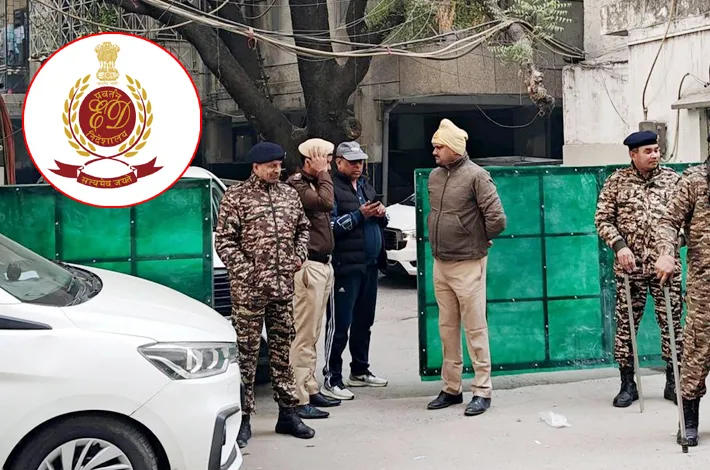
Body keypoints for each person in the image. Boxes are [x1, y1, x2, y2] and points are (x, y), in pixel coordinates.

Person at [215, 141, 315, 448]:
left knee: (283, 352)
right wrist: (251, 274)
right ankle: (244, 418)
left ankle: (288, 413)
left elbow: (303, 229)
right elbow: (225, 242)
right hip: (249, 293)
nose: (276, 170)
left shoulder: (288, 194)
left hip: (283, 289)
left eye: (278, 165)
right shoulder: (236, 197)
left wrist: (299, 255)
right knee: (246, 356)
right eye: (270, 166)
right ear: (255, 167)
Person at [594, 130, 684, 408]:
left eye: (656, 150)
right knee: (626, 326)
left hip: (665, 268)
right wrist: (619, 246)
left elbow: (687, 223)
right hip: (629, 268)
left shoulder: (674, 181)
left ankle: (674, 380)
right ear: (633, 154)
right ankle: (627, 384)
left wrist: (669, 251)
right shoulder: (617, 182)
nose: (655, 155)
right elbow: (603, 219)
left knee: (672, 324)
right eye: (648, 151)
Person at [424, 118, 507, 417]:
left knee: (475, 328)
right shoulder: (435, 177)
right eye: (434, 146)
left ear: (454, 148)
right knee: (447, 329)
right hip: (441, 262)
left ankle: (482, 390)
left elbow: (497, 218)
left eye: (439, 146)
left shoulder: (477, 176)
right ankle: (451, 387)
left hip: (468, 264)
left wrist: (478, 240)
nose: (434, 151)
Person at [321, 141, 389, 401]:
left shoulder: (365, 186)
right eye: (352, 162)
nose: (358, 166)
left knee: (364, 322)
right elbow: (329, 227)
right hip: (345, 266)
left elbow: (379, 221)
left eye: (360, 161)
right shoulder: (331, 188)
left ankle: (360, 370)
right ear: (338, 162)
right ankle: (332, 377)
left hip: (370, 265)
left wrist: (381, 214)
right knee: (340, 325)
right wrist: (360, 215)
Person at [654, 155, 710, 447]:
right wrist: (666, 253)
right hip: (705, 287)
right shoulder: (694, 181)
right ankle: (688, 421)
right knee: (697, 352)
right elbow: (668, 223)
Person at [286, 138, 342, 419]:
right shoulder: (297, 185)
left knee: (315, 332)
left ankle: (310, 386)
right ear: (311, 160)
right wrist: (322, 174)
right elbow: (326, 203)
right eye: (326, 160)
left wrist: (321, 176)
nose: (329, 166)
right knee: (303, 334)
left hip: (323, 265)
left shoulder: (314, 182)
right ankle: (298, 396)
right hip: (308, 266)